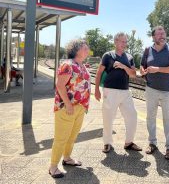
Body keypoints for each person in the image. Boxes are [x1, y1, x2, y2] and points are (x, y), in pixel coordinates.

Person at [49, 39, 91, 178]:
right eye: (85, 48)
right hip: (67, 108)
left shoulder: (81, 65)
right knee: (61, 137)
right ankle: (53, 166)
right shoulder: (68, 65)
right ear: (77, 49)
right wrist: (67, 104)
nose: (87, 50)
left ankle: (67, 158)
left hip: (79, 107)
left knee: (72, 136)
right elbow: (60, 86)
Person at [95, 32, 142, 153]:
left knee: (132, 115)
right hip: (110, 91)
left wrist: (123, 66)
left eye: (126, 42)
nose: (124, 44)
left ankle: (129, 142)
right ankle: (107, 142)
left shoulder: (129, 57)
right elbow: (99, 72)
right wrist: (96, 90)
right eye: (122, 41)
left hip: (125, 91)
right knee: (108, 117)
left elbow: (133, 75)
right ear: (115, 42)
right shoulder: (108, 55)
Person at [140, 26, 169, 160]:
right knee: (150, 117)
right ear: (153, 37)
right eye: (159, 34)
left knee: (167, 119)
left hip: (167, 90)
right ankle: (152, 143)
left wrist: (158, 69)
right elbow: (142, 65)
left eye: (163, 33)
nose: (162, 36)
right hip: (151, 88)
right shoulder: (147, 50)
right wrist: (143, 71)